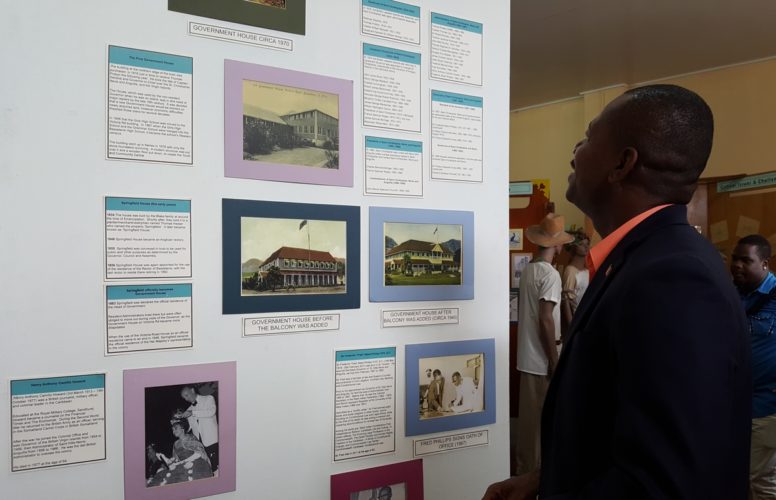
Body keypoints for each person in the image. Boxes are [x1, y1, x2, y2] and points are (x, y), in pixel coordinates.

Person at [484, 84, 751, 499]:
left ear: (623, 163)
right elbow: (618, 424)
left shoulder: (674, 277)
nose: (575, 151)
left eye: (588, 137)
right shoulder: (636, 260)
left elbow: (661, 482)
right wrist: (542, 480)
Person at [515, 213, 573, 475]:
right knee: (540, 423)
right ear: (557, 245)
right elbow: (546, 318)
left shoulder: (529, 270)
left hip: (527, 356)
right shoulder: (550, 275)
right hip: (540, 360)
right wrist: (554, 359)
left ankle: (524, 471)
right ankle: (531, 477)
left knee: (529, 422)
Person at [731, 234, 776, 499]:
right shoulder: (732, 293)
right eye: (735, 259)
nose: (737, 265)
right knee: (742, 475)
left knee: (761, 480)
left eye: (746, 261)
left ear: (765, 263)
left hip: (767, 405)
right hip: (737, 403)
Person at [148, 420, 213, 486]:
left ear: (183, 429)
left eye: (176, 428)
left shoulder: (190, 437)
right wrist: (164, 457)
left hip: (196, 463)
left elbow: (199, 453)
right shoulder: (175, 443)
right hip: (182, 465)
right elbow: (175, 461)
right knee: (162, 475)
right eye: (173, 430)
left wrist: (183, 462)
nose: (174, 431)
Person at [177, 386, 219, 472]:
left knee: (217, 466)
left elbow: (211, 412)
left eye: (187, 395)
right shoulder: (189, 409)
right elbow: (189, 427)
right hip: (200, 444)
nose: (186, 399)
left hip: (212, 440)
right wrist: (179, 422)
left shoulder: (208, 398)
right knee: (209, 469)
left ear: (192, 390)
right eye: (184, 398)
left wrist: (193, 413)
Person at [559, 230, 590, 336]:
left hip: (588, 318)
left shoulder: (587, 271)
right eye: (581, 244)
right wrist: (572, 328)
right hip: (578, 319)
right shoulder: (570, 271)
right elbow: (566, 301)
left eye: (587, 244)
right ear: (574, 247)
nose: (586, 247)